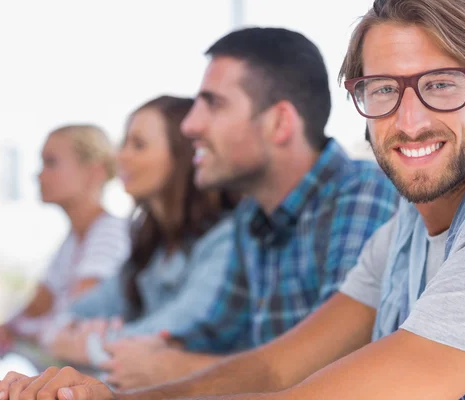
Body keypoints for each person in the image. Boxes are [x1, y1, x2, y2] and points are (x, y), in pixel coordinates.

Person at [53, 27, 398, 390]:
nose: (190, 125)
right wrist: (159, 349)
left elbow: (333, 367)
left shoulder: (362, 194)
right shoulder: (252, 218)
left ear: (280, 123)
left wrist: (173, 366)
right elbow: (212, 330)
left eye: (213, 104)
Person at [40, 96, 238, 371]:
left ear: (182, 154)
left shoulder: (225, 242)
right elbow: (68, 314)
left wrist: (84, 342)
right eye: (124, 144)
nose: (120, 156)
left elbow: (168, 335)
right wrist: (69, 336)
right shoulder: (152, 249)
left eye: (139, 145)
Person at [0, 124, 130, 361]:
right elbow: (39, 303)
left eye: (51, 163)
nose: (39, 175)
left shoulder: (111, 234)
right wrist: (7, 328)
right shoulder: (75, 239)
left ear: (95, 172)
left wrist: (17, 331)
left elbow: (70, 321)